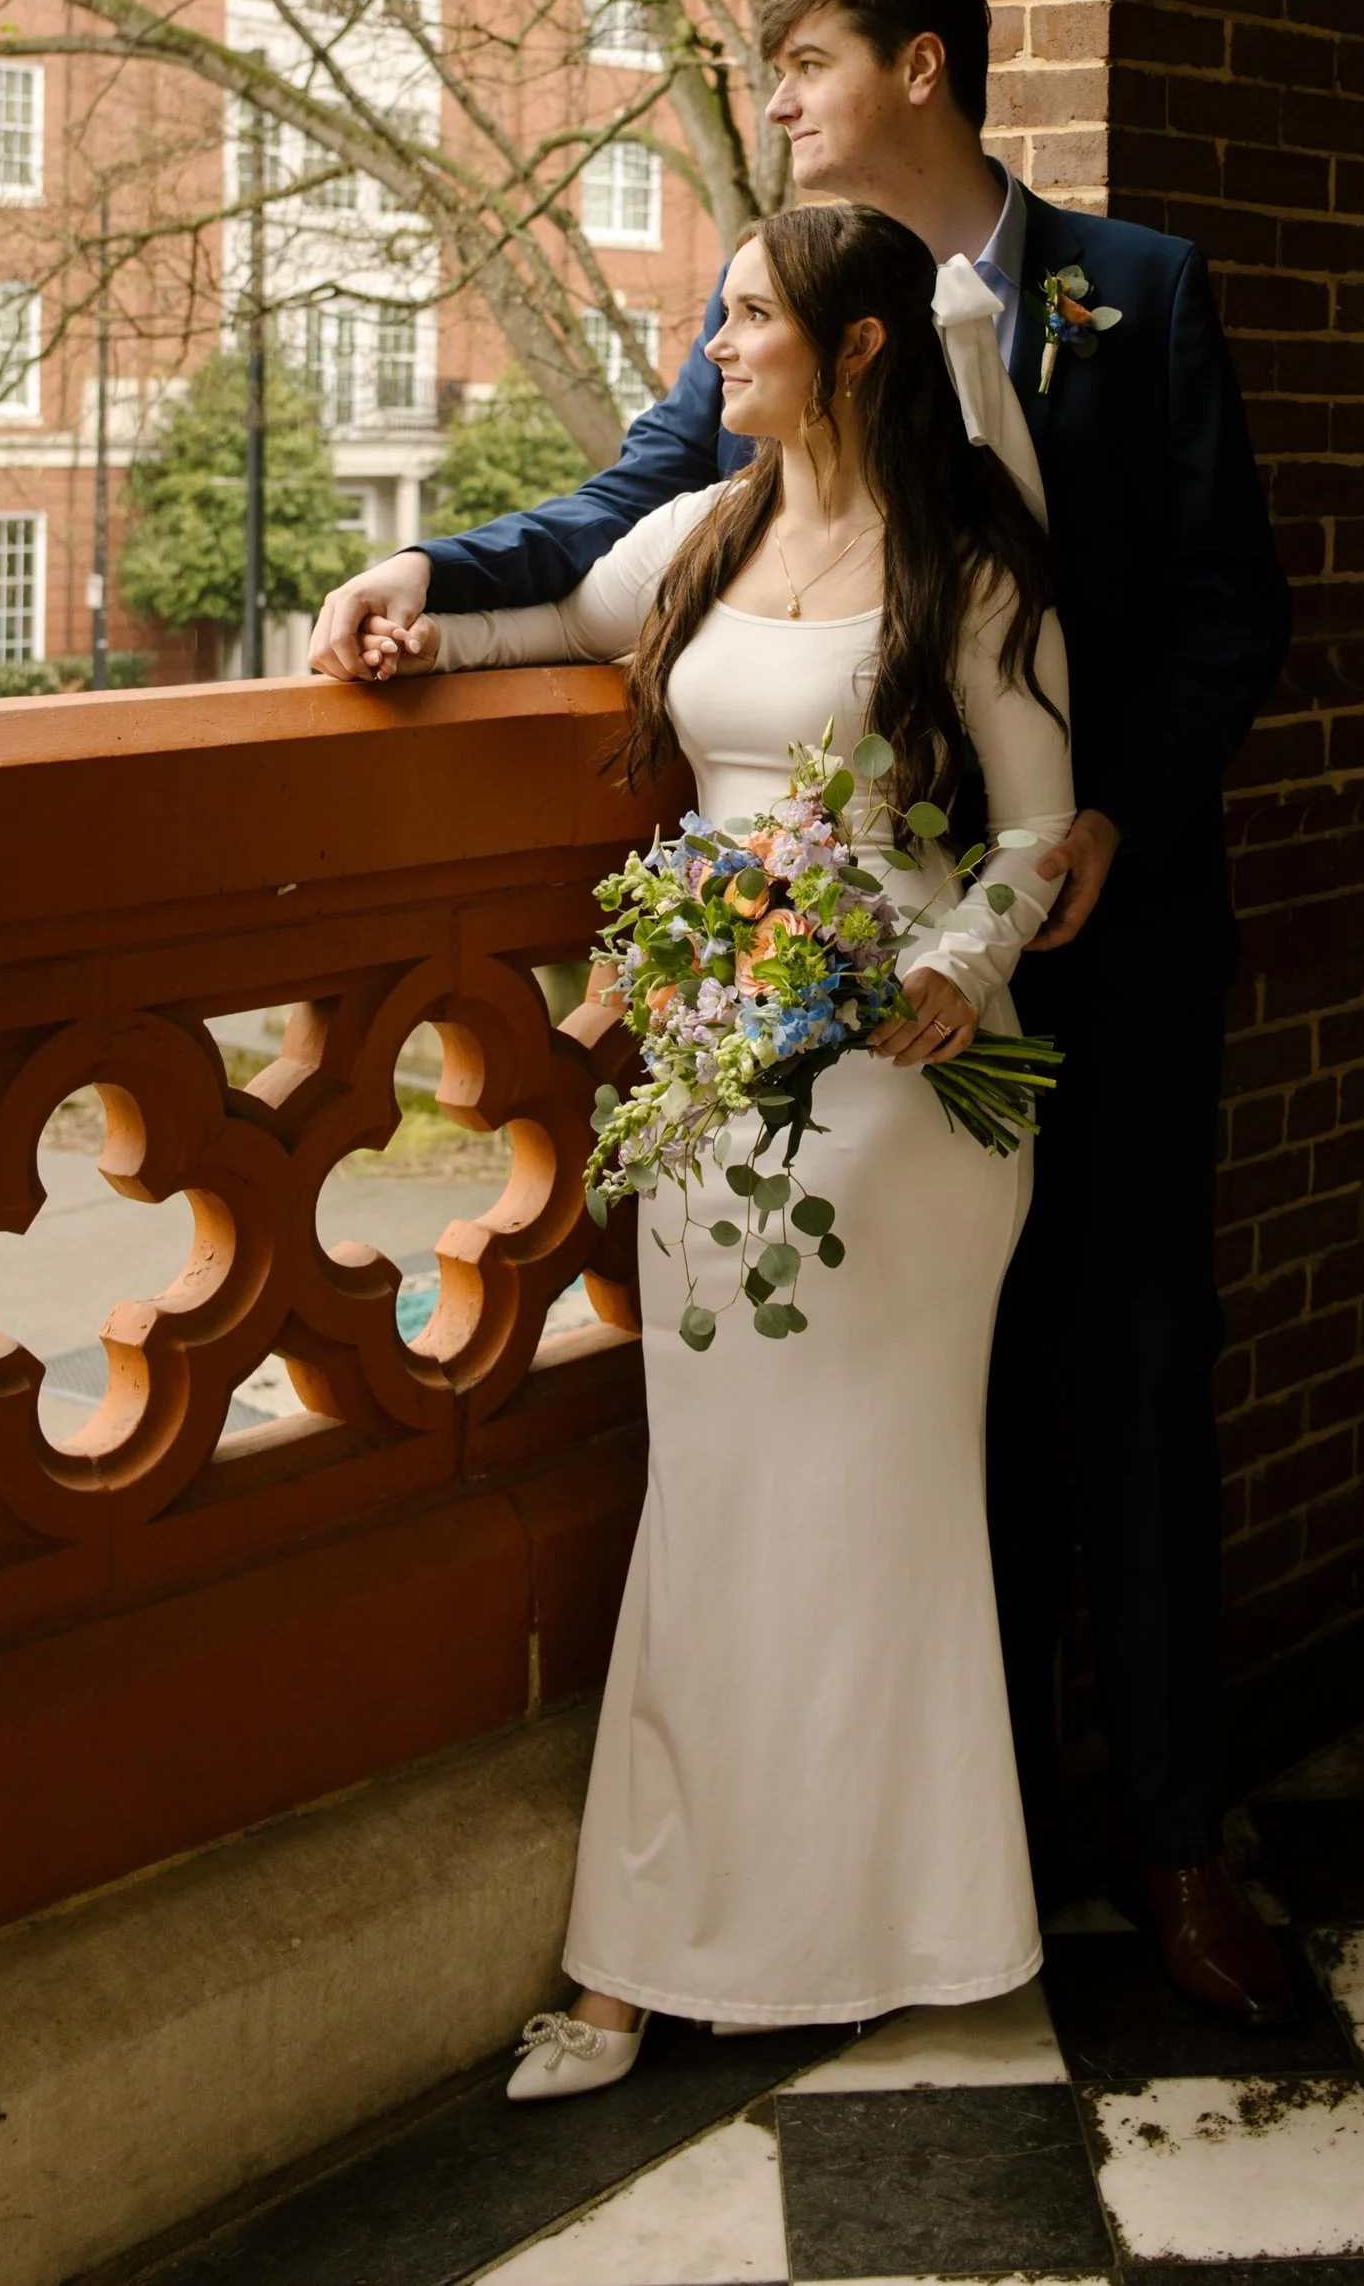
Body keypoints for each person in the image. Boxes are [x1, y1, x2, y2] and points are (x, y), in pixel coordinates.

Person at [312, 0, 1304, 2025]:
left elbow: (1225, 608)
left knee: (1123, 1388)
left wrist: (1109, 817)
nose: (773, 96)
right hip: (822, 1016)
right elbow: (639, 514)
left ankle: (1179, 1848)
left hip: (1091, 943)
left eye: (803, 62)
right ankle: (967, 1844)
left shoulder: (1134, 292)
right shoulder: (771, 304)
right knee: (909, 1441)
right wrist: (428, 574)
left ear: (915, 67)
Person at [377, 204, 1074, 2090]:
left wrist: (952, 956)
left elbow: (1033, 825)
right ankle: (649, 1947)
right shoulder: (706, 529)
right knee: (716, 1508)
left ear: (857, 346)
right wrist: (412, 599)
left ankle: (884, 1920)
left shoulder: (968, 564)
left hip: (906, 1103)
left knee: (873, 1512)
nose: (717, 343)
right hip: (708, 1088)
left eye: (750, 314)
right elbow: (553, 612)